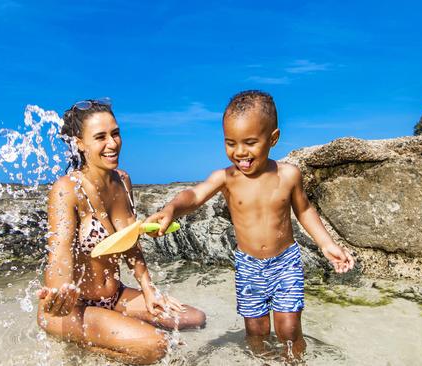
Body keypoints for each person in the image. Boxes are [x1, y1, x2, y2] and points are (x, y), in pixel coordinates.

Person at [145, 90, 354, 360]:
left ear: (273, 138)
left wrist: (327, 244)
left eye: (250, 142)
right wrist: (171, 208)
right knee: (255, 331)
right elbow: (195, 195)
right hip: (248, 266)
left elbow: (304, 211)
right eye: (230, 143)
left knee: (288, 329)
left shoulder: (289, 175)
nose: (240, 152)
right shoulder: (226, 178)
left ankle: (295, 361)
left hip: (285, 262)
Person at [37, 98, 206, 365]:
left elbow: (130, 242)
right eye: (100, 137)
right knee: (157, 346)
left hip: (114, 296)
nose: (112, 143)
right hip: (73, 309)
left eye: (115, 133)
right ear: (79, 144)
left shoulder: (123, 180)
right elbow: (59, 254)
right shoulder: (66, 189)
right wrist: (60, 293)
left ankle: (117, 333)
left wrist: (148, 290)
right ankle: (92, 349)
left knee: (194, 319)